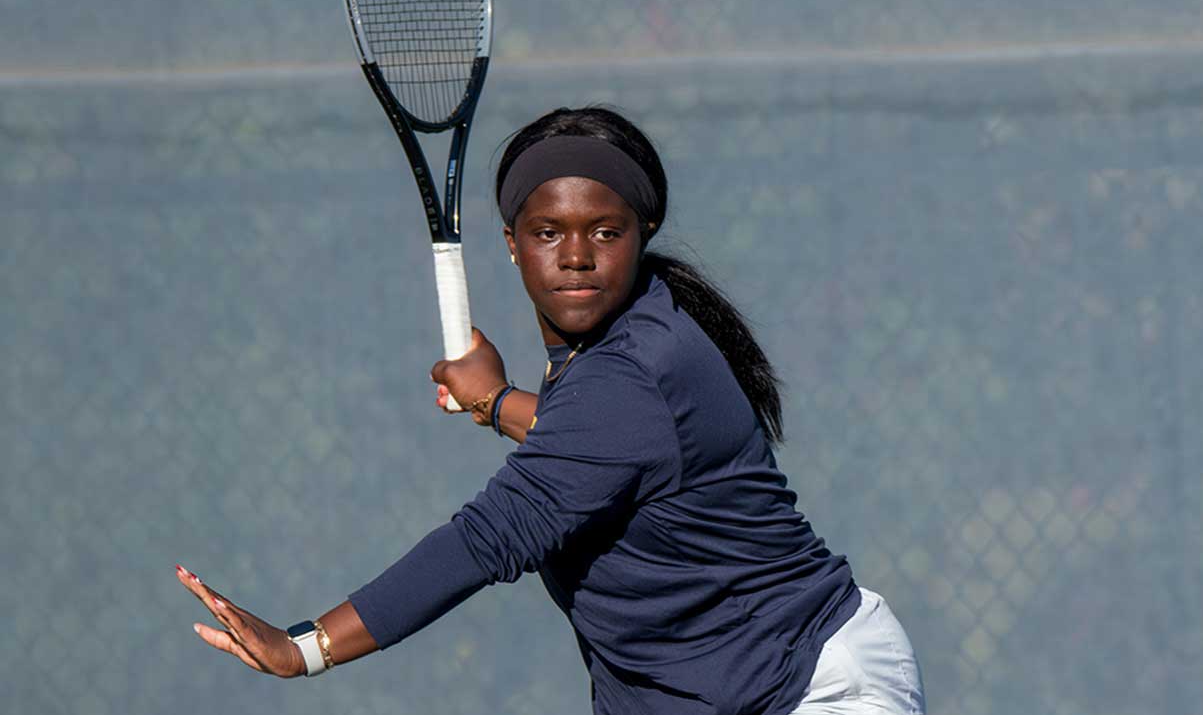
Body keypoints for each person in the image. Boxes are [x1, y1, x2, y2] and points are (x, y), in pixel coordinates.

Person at [176, 107, 925, 715]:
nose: (576, 255)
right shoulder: (625, 348)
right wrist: (498, 401)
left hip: (804, 688)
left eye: (605, 231)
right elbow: (611, 456)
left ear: (643, 234)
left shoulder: (630, 370)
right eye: (548, 233)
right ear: (512, 243)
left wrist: (306, 647)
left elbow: (490, 537)